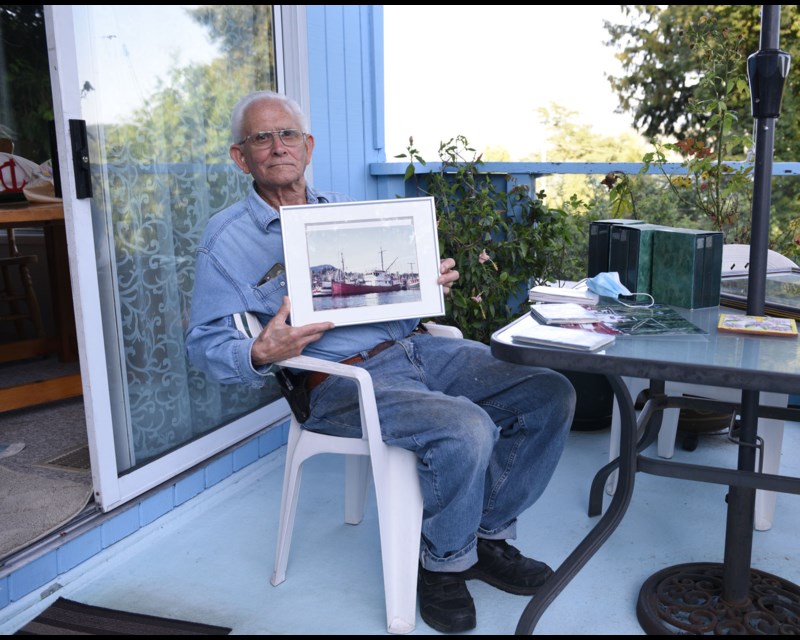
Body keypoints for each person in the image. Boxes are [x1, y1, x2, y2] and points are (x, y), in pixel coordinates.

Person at [186, 91, 576, 633]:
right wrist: (258, 351)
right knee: (466, 427)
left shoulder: (346, 215)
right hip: (336, 379)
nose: (278, 147)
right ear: (240, 156)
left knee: (549, 392)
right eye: (261, 138)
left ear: (308, 145)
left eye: (288, 134)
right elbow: (203, 344)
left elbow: (380, 284)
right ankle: (442, 566)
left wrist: (424, 282)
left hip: (414, 347)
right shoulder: (226, 243)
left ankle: (485, 536)